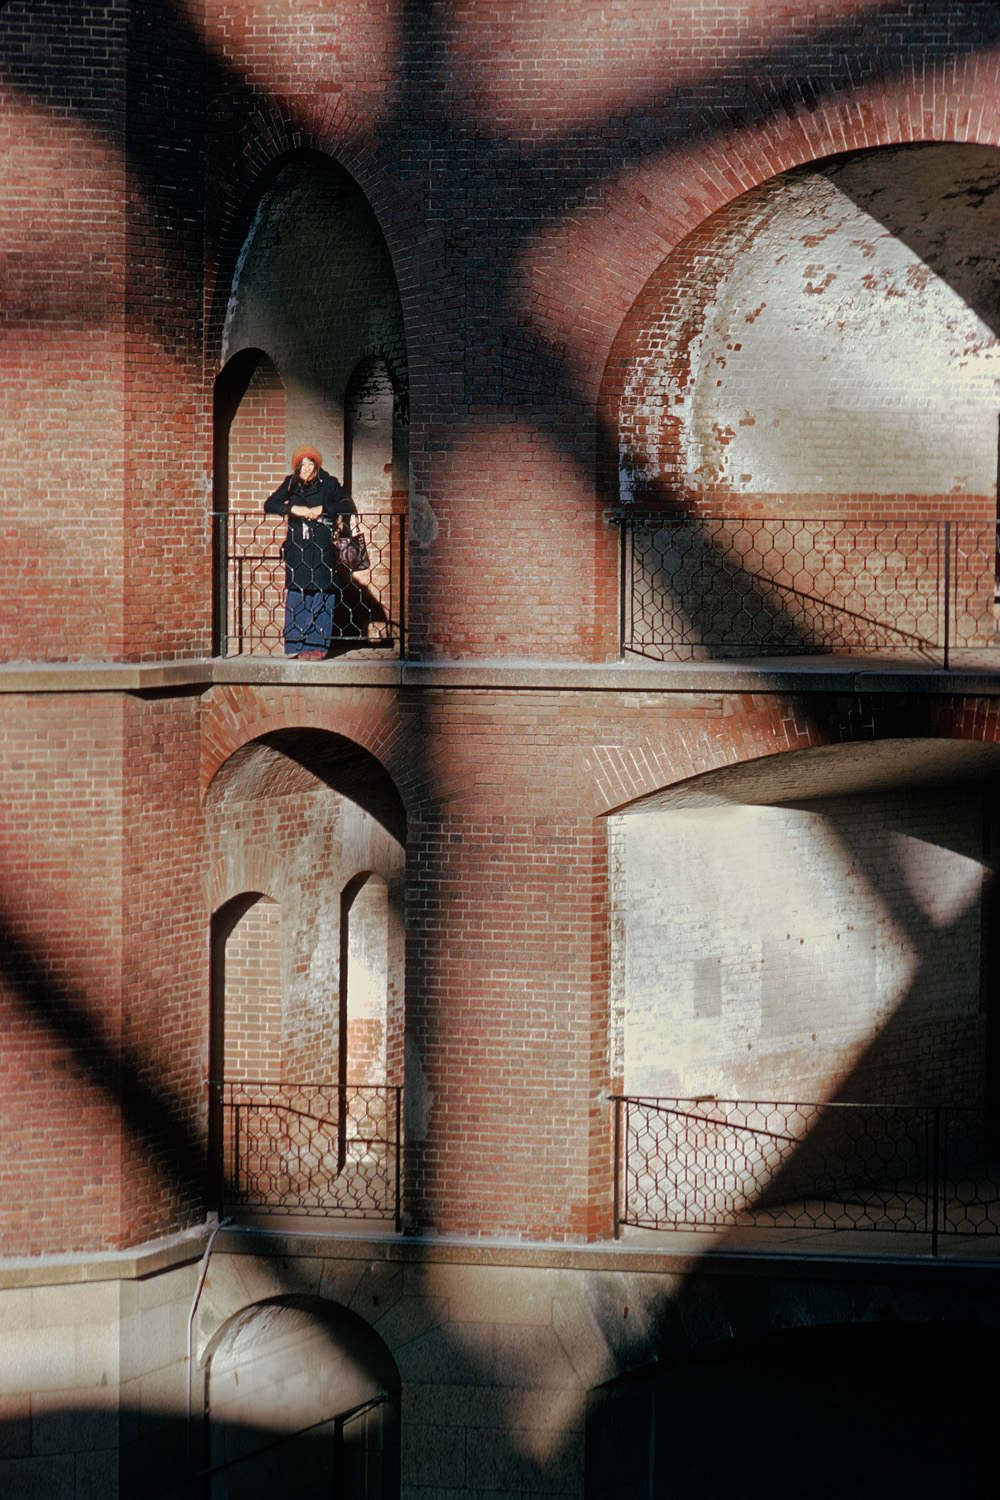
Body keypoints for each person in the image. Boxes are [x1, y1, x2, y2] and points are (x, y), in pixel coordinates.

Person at [264, 446, 357, 658]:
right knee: (298, 594)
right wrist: (291, 509)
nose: (306, 469)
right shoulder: (291, 483)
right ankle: (297, 646)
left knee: (323, 594)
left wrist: (323, 509)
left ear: (317, 464)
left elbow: (347, 505)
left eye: (310, 463)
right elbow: (270, 504)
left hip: (322, 547)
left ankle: (317, 646)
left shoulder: (329, 483)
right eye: (302, 465)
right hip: (298, 548)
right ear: (296, 467)